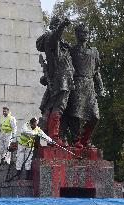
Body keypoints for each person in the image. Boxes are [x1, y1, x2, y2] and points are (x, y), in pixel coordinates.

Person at [64, 23, 105, 147]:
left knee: (95, 116)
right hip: (76, 84)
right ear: (77, 34)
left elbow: (96, 71)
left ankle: (85, 139)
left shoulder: (94, 51)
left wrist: (101, 88)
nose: (85, 35)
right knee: (75, 114)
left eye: (86, 32)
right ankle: (76, 140)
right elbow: (65, 68)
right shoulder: (71, 50)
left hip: (89, 85)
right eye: (82, 32)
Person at [37, 16, 75, 145]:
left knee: (53, 107)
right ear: (54, 26)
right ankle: (54, 135)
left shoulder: (62, 43)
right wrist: (63, 24)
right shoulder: (51, 39)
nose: (60, 28)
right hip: (61, 79)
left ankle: (51, 135)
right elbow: (55, 37)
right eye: (57, 25)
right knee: (59, 107)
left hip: (65, 79)